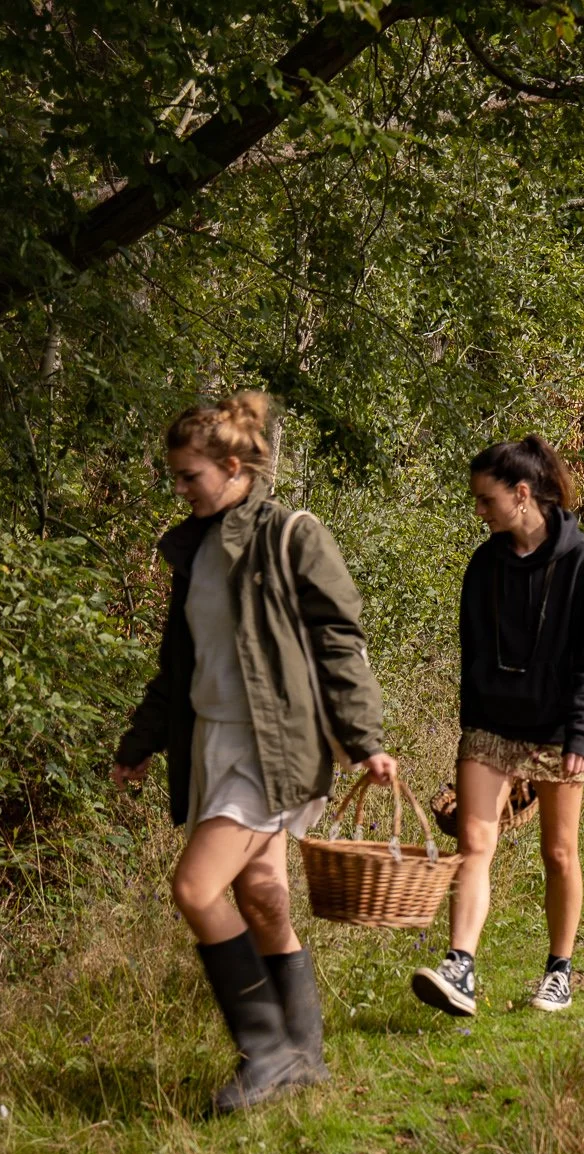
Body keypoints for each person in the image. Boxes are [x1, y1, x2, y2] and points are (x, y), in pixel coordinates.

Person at [111, 392, 396, 1114]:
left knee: (195, 888)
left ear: (233, 466)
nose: (178, 490)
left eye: (188, 476)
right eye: (175, 478)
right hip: (212, 743)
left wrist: (364, 741)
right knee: (263, 896)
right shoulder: (196, 548)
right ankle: (303, 1054)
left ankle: (265, 1049)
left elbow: (339, 641)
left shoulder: (292, 535)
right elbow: (179, 666)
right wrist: (142, 742)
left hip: (273, 748)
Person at [411, 435, 584, 1017]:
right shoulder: (484, 563)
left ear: (522, 495)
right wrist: (469, 733)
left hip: (556, 728)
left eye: (485, 499)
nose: (480, 510)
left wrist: (582, 734)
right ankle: (460, 968)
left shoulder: (578, 561)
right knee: (474, 844)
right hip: (490, 724)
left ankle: (558, 972)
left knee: (558, 852)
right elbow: (471, 654)